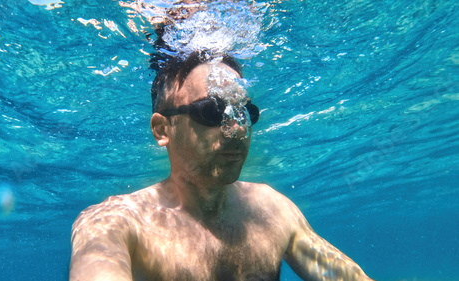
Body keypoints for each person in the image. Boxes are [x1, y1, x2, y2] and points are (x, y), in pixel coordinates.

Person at [69, 51, 374, 281]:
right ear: (163, 130)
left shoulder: (272, 209)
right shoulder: (116, 223)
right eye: (212, 111)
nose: (238, 129)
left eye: (245, 112)